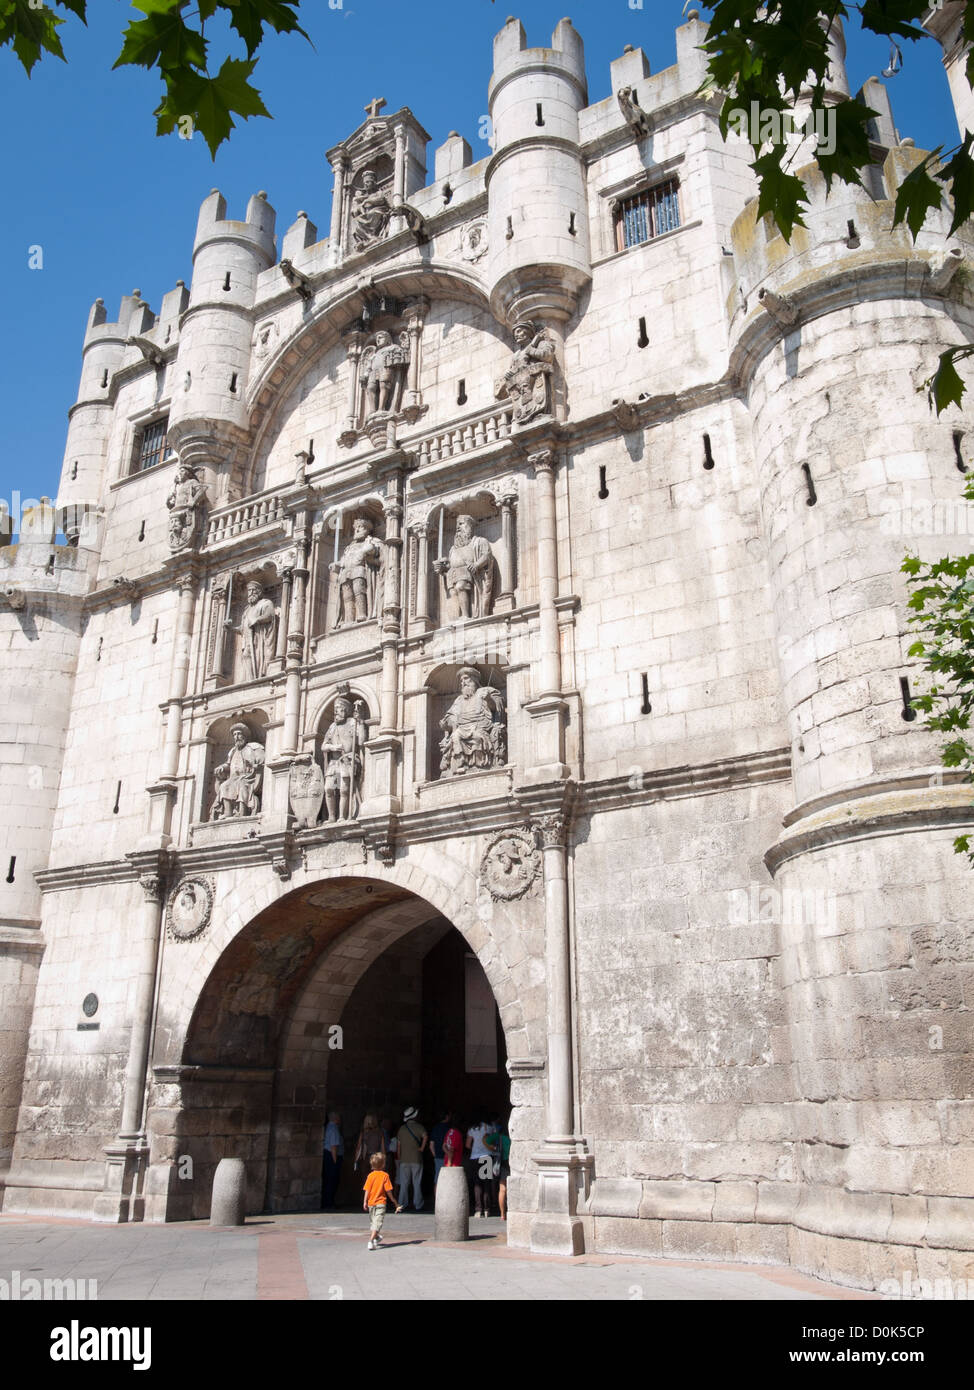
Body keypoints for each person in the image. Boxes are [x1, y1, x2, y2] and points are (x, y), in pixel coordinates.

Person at [363, 1150, 402, 1251]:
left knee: (374, 1223)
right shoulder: (385, 1176)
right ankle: (371, 1241)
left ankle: (375, 1237)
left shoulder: (370, 1176)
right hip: (381, 1203)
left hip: (371, 1203)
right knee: (376, 1223)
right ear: (383, 1164)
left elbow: (367, 1190)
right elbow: (388, 1191)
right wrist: (394, 1202)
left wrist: (365, 1201)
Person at [395, 1106, 428, 1211]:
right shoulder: (419, 1127)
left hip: (404, 1159)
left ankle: (401, 1204)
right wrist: (422, 1148)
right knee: (416, 1182)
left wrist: (399, 1158)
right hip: (416, 1158)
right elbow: (425, 1136)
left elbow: (398, 1145)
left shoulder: (401, 1129)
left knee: (404, 1183)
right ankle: (418, 1204)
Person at [466, 1114, 494, 1218]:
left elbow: (468, 1145)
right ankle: (487, 1209)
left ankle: (478, 1210)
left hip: (475, 1157)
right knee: (486, 1183)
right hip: (487, 1156)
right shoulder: (490, 1128)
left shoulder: (472, 1129)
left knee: (477, 1184)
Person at [321, 1110, 344, 1211]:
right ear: (335, 1118)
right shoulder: (334, 1128)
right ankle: (329, 1203)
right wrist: (335, 1162)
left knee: (328, 1180)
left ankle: (327, 1202)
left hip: (328, 1155)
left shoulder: (328, 1127)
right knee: (332, 1180)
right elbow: (333, 1146)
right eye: (338, 1116)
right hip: (332, 1156)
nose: (340, 1119)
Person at [354, 1112, 386, 1178]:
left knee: (365, 1179)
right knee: (376, 1179)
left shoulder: (363, 1132)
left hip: (366, 1157)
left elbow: (358, 1148)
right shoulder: (380, 1132)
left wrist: (355, 1161)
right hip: (377, 1157)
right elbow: (383, 1149)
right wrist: (384, 1161)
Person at [429, 1109, 456, 1183]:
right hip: (449, 1157)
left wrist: (435, 1155)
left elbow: (431, 1145)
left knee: (437, 1179)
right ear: (447, 1117)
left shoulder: (435, 1128)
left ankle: (437, 1194)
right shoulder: (450, 1129)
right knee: (449, 1180)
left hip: (438, 1157)